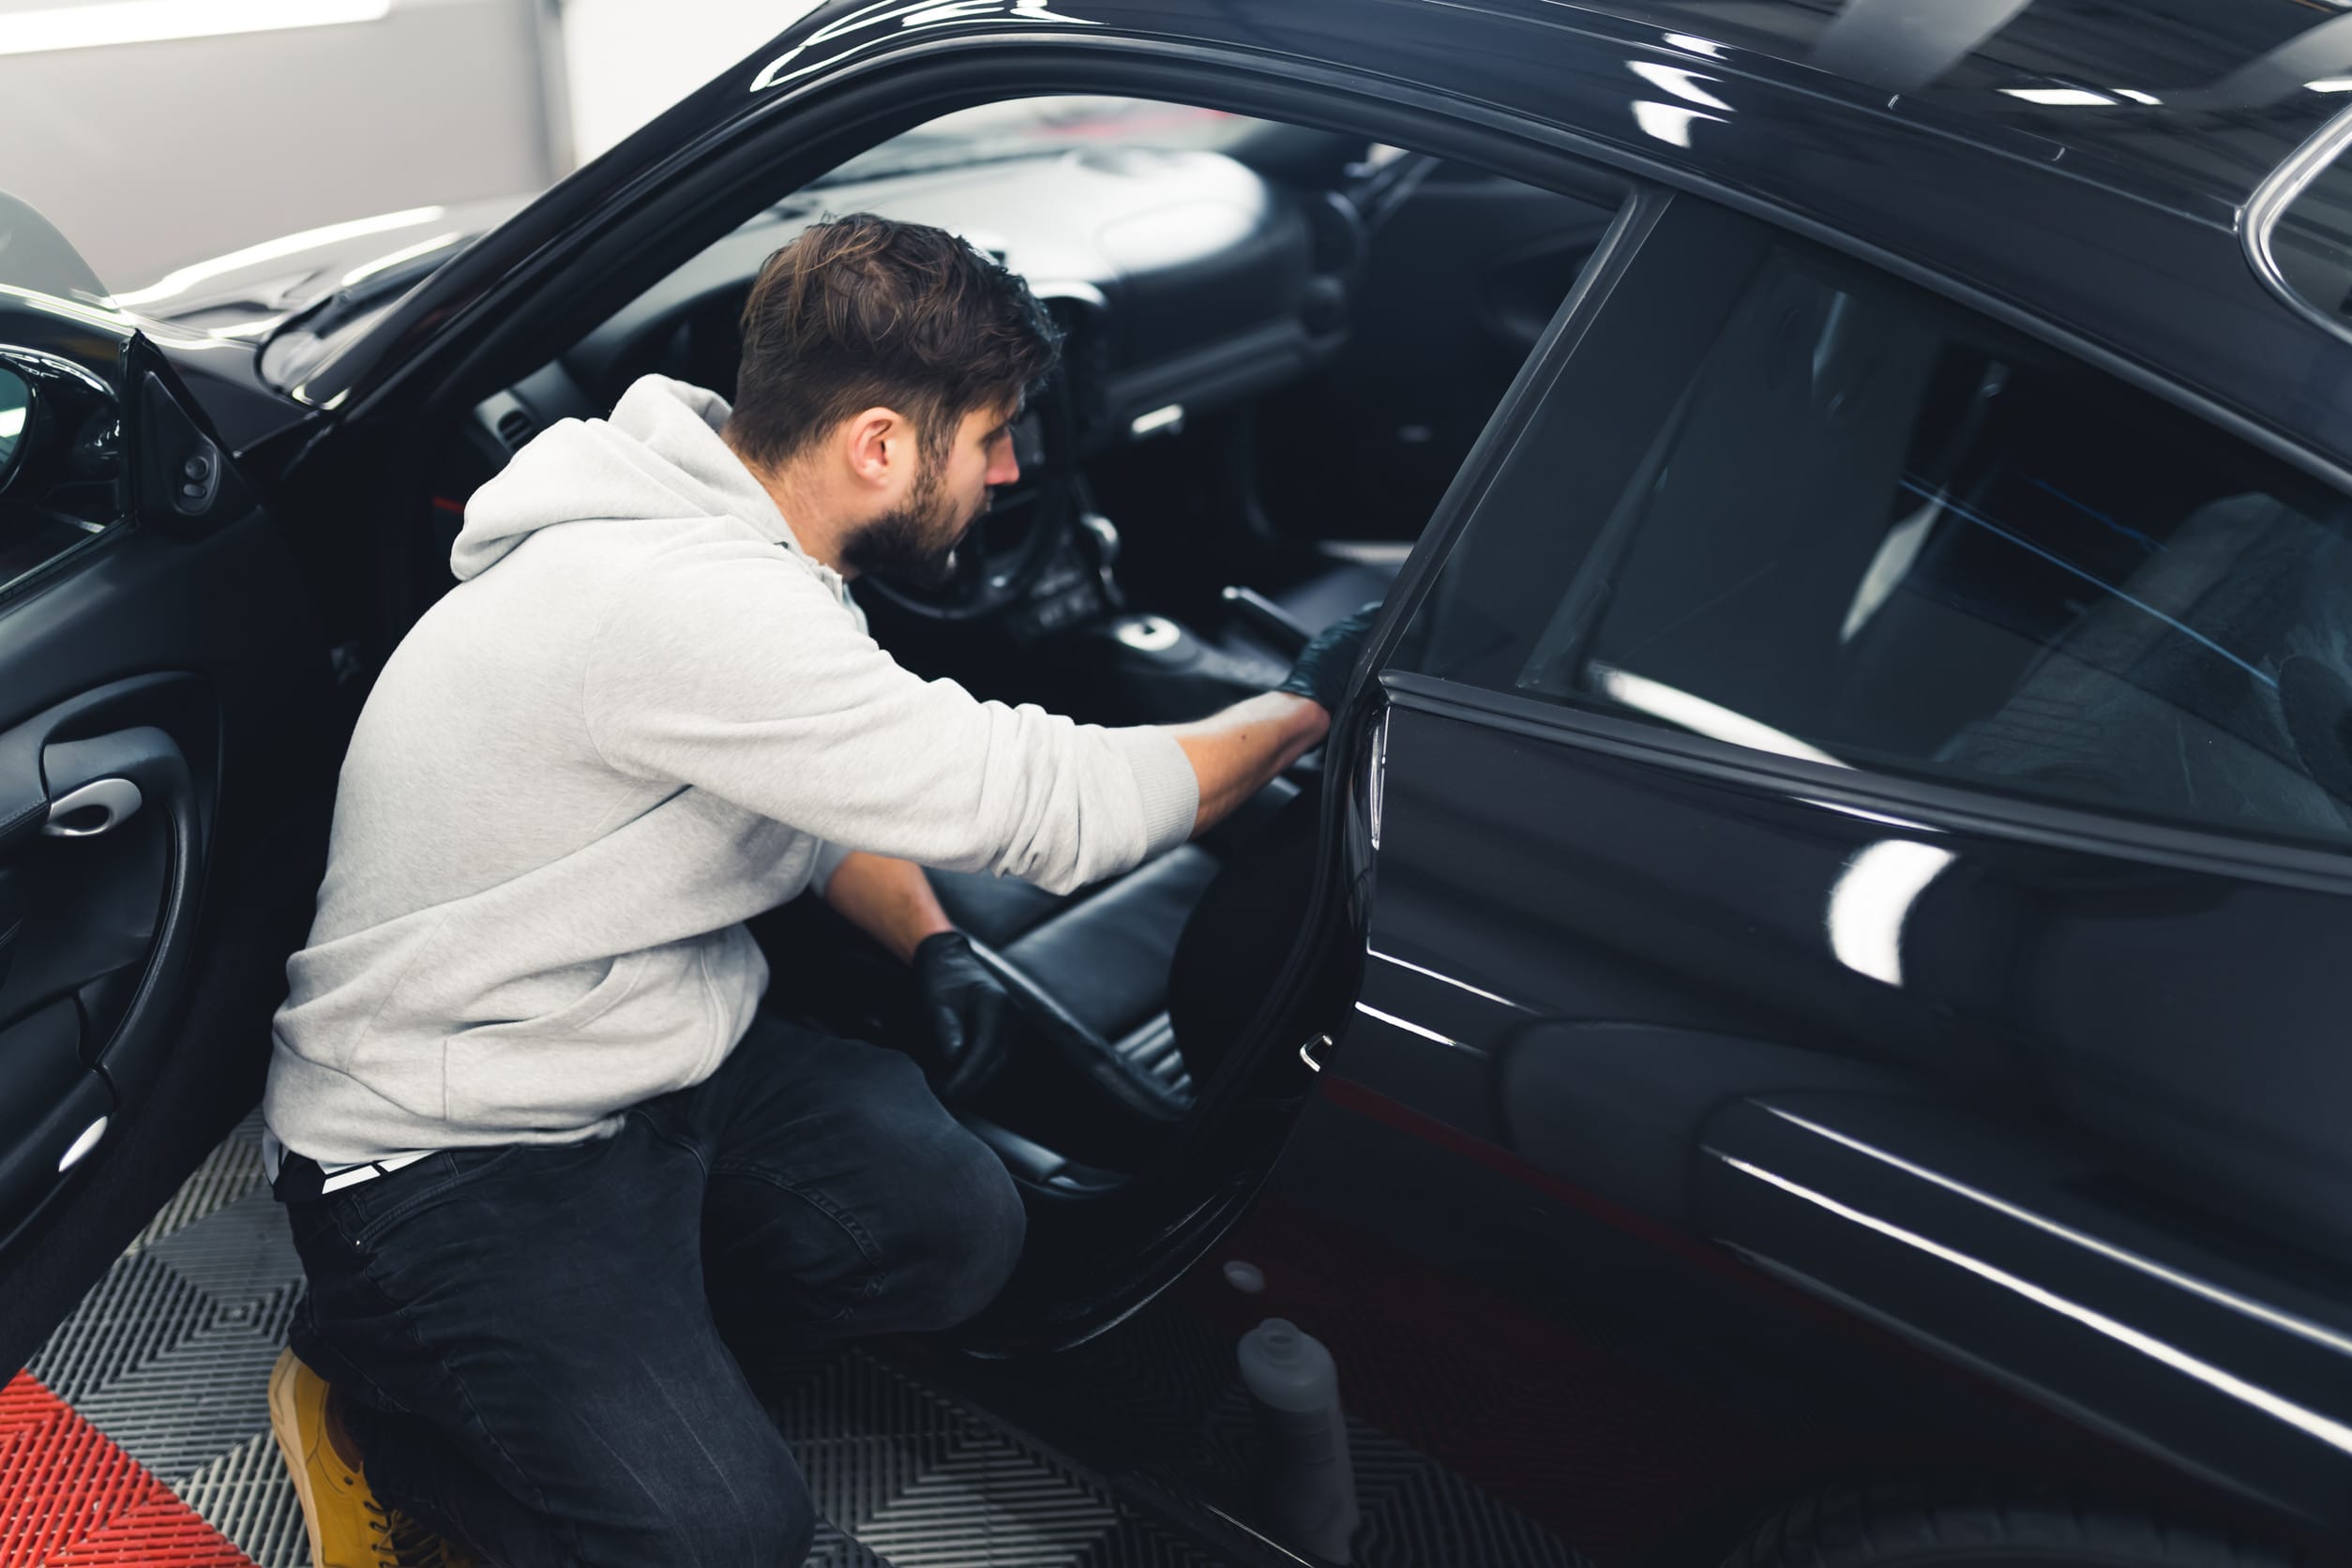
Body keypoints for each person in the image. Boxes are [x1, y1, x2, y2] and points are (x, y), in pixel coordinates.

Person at [261, 212, 1378, 1568]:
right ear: (879, 447)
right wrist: (1310, 703)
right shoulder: (690, 601)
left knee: (953, 1229)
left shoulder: (719, 519)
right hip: (448, 1150)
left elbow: (805, 781)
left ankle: (609, 1374)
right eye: (991, 437)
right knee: (723, 1541)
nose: (1013, 468)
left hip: (646, 1058)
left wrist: (931, 945)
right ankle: (406, 1415)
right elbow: (1057, 806)